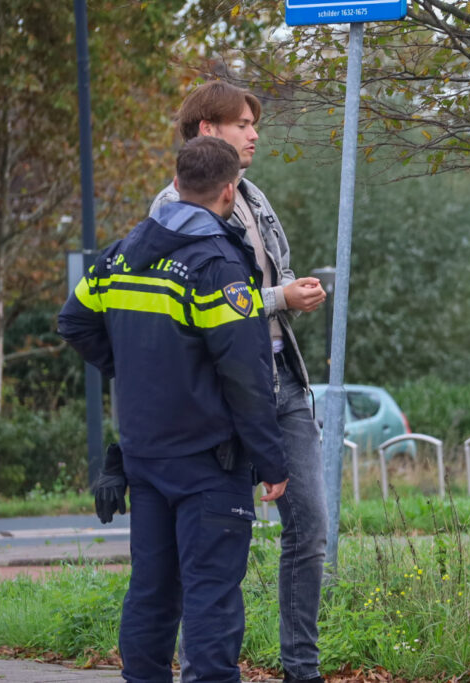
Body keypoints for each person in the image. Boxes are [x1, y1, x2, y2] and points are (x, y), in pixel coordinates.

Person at [59, 136, 289, 683]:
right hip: (209, 460)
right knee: (211, 594)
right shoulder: (216, 263)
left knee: (153, 591)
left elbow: (74, 322)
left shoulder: (120, 253)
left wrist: (138, 371)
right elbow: (246, 374)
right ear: (229, 191)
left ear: (179, 182)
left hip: (144, 454)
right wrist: (272, 460)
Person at [149, 81, 328, 683]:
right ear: (207, 130)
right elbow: (210, 303)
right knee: (211, 549)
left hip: (283, 379)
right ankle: (208, 665)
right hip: (223, 393)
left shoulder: (253, 196)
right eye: (242, 123)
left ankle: (302, 668)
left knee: (311, 530)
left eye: (255, 124)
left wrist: (294, 291)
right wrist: (281, 296)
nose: (254, 134)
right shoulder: (168, 211)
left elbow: (269, 277)